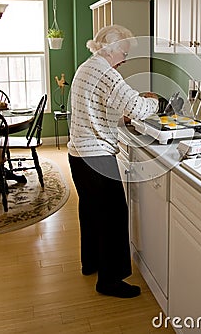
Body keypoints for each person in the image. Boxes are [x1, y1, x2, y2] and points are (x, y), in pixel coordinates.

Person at [67, 24, 159, 299]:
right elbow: (137, 107)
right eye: (124, 53)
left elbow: (95, 109)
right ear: (110, 50)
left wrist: (122, 117)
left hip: (78, 156)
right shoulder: (106, 72)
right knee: (114, 216)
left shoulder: (87, 67)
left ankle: (91, 262)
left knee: (91, 211)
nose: (125, 59)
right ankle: (110, 281)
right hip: (96, 157)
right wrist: (153, 101)